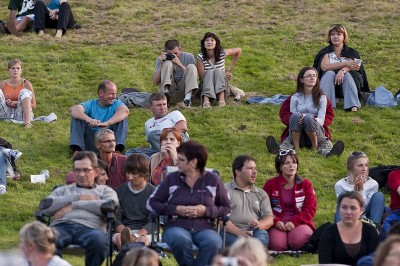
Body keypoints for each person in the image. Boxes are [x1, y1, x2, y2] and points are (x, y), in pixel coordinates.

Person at [147, 141, 231, 266]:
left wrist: (206, 211)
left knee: (213, 242)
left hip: (205, 227)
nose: (177, 161)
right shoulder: (172, 179)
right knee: (181, 240)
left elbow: (226, 209)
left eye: (181, 159)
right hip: (176, 226)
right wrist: (176, 209)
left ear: (193, 163)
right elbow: (151, 203)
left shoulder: (213, 180)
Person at [38, 151, 119, 266]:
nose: (81, 174)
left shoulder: (105, 191)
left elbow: (110, 206)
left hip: (92, 229)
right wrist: (77, 197)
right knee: (46, 240)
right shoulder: (63, 190)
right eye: (77, 170)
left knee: (99, 241)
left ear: (96, 171)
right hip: (61, 227)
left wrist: (74, 205)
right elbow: (45, 206)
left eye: (86, 170)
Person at [270, 67, 344, 157]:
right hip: (298, 132)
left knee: (309, 119)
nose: (312, 78)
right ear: (302, 80)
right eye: (309, 76)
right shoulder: (294, 97)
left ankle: (326, 151)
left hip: (316, 131)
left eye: (314, 76)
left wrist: (306, 118)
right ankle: (282, 150)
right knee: (295, 116)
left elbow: (322, 119)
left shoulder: (322, 98)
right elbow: (289, 114)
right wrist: (299, 119)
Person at [262, 149, 317, 251]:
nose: (292, 165)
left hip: (300, 222)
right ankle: (284, 240)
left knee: (300, 241)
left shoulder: (306, 184)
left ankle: (291, 239)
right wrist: (275, 221)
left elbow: (310, 209)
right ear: (280, 167)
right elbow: (264, 207)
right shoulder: (270, 184)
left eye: (294, 162)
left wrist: (293, 222)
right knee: (277, 245)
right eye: (287, 163)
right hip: (277, 223)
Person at [313, 24, 370, 111]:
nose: (335, 37)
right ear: (329, 37)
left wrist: (343, 71)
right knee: (329, 73)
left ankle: (353, 105)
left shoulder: (352, 52)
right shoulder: (325, 52)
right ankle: (326, 105)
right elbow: (324, 67)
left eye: (339, 34)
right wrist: (346, 63)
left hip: (349, 84)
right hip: (330, 85)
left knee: (347, 74)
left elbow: (356, 66)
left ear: (344, 36)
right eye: (333, 34)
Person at [319, 191, 380, 265]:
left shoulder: (370, 232)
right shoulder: (329, 232)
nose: (348, 212)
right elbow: (324, 263)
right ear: (339, 209)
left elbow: (377, 261)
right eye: (344, 207)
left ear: (361, 210)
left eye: (353, 208)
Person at [224, 155, 273, 247]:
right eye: (250, 168)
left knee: (262, 236)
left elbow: (269, 218)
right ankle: (257, 252)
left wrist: (259, 224)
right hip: (231, 232)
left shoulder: (261, 194)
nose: (255, 172)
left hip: (254, 231)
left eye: (255, 168)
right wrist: (239, 233)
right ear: (238, 171)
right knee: (235, 243)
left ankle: (252, 250)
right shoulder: (223, 190)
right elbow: (219, 219)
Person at [69, 80, 129, 154]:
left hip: (109, 140)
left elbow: (125, 111)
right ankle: (77, 149)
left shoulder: (116, 104)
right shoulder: (91, 104)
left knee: (122, 118)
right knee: (77, 117)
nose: (114, 97)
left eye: (115, 94)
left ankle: (117, 150)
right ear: (101, 93)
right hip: (92, 140)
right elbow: (74, 110)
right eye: (111, 94)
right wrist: (89, 120)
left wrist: (107, 123)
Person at [113, 154, 155, 251]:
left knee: (142, 241)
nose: (130, 177)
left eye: (134, 174)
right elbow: (116, 218)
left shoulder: (153, 192)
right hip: (123, 230)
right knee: (118, 239)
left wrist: (136, 235)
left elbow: (153, 221)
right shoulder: (119, 191)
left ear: (144, 172)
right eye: (128, 173)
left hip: (144, 232)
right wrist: (126, 234)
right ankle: (126, 257)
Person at [125, 92, 188, 158]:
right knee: (130, 152)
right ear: (150, 107)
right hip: (158, 149)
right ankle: (153, 163)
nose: (162, 107)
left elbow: (183, 127)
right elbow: (153, 143)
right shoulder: (148, 123)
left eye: (164, 104)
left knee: (153, 134)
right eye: (159, 105)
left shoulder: (174, 114)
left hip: (176, 142)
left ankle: (171, 155)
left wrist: (164, 134)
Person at [334, 151, 386, 226]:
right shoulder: (340, 185)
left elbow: (364, 207)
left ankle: (374, 228)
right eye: (360, 165)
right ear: (351, 167)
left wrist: (361, 190)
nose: (364, 168)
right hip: (348, 213)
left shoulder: (373, 184)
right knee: (342, 196)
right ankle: (340, 229)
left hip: (367, 215)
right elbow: (344, 206)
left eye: (366, 165)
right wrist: (355, 191)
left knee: (379, 196)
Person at [197, 32, 242, 108]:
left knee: (218, 71)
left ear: (216, 43)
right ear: (203, 43)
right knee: (210, 72)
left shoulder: (222, 53)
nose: (209, 42)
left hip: (222, 86)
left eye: (212, 40)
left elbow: (239, 50)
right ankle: (206, 100)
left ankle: (221, 100)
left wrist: (229, 70)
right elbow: (202, 78)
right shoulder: (200, 57)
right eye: (207, 40)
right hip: (206, 87)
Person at [152, 39, 198, 106]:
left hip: (184, 90)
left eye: (176, 53)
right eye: (170, 54)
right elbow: (155, 82)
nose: (174, 56)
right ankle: (166, 93)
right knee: (167, 63)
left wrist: (180, 64)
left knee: (191, 67)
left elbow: (193, 78)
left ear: (181, 50)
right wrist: (161, 65)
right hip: (169, 90)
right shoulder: (161, 59)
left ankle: (187, 100)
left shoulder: (189, 57)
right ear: (166, 52)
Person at [0, 59, 36, 128]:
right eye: (13, 68)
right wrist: (6, 102)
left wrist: (17, 103)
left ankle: (27, 123)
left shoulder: (26, 83)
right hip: (6, 113)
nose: (15, 70)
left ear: (21, 70)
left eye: (18, 68)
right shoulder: (3, 83)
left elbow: (33, 105)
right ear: (8, 70)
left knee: (24, 92)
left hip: (20, 112)